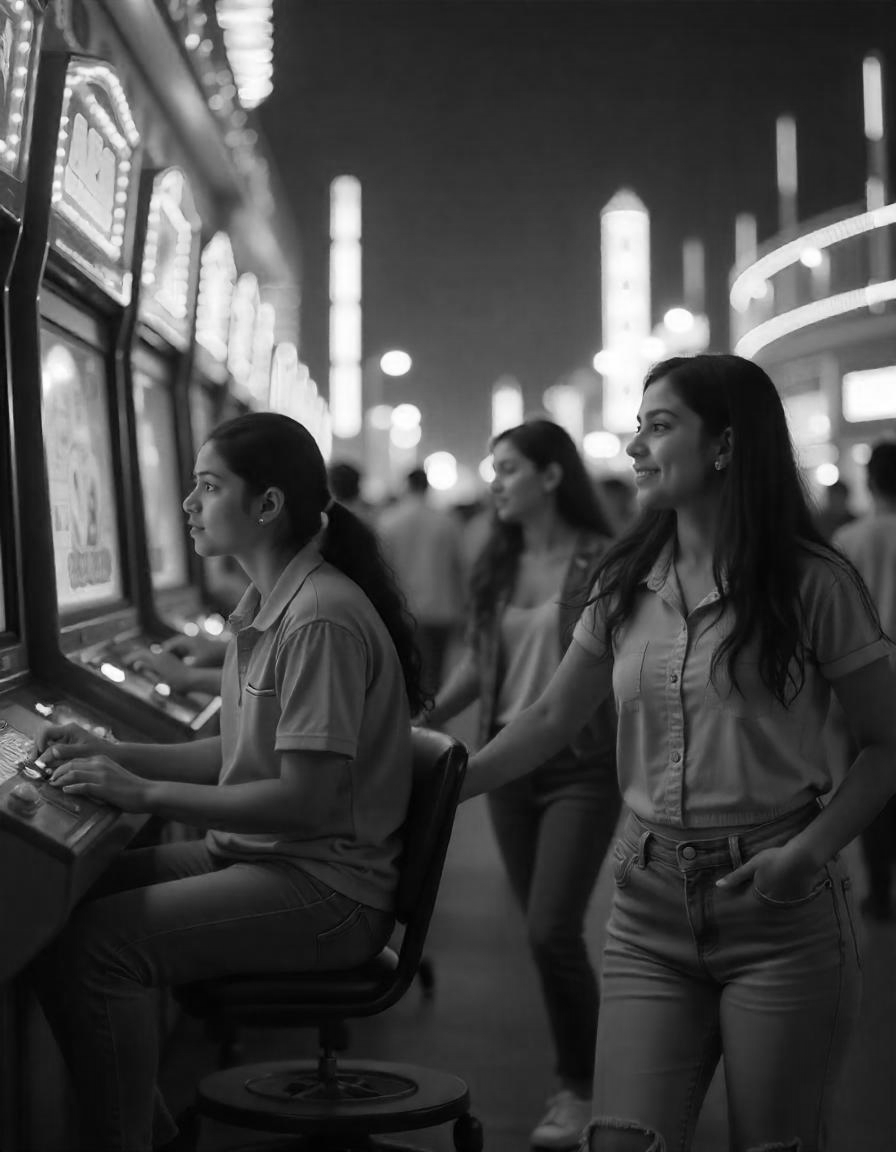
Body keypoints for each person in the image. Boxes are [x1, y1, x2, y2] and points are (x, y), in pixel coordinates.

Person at [460, 355, 896, 1152]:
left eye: (658, 427)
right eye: (638, 426)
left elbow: (886, 744)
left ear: (726, 444)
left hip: (778, 906)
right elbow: (552, 715)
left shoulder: (813, 582)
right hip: (647, 903)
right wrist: (443, 781)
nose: (634, 446)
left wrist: (809, 853)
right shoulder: (624, 578)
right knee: (620, 1141)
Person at [29, 412, 426, 1152]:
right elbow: (237, 752)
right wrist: (113, 752)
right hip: (272, 857)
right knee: (68, 900)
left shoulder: (319, 618)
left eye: (209, 487)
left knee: (96, 949)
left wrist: (141, 794)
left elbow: (305, 801)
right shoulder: (270, 603)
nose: (188, 504)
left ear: (267, 504)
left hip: (327, 888)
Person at [423, 419, 620, 1151]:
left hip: (579, 763)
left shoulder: (603, 562)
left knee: (550, 929)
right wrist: (423, 715)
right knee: (544, 933)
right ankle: (588, 1078)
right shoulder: (498, 558)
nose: (495, 482)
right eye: (494, 468)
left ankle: (584, 1088)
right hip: (508, 762)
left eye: (508, 468)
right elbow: (481, 662)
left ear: (552, 475)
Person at [833, 440, 896, 920]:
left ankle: (878, 892)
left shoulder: (849, 540)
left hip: (865, 684)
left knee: (870, 787)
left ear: (870, 482)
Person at [379, 466, 467, 696]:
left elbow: (382, 569)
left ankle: (411, 716)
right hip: (441, 608)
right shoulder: (447, 521)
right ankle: (434, 713)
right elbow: (459, 567)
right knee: (435, 675)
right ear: (427, 487)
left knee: (406, 676)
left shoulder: (389, 521)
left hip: (403, 608)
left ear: (406, 486)